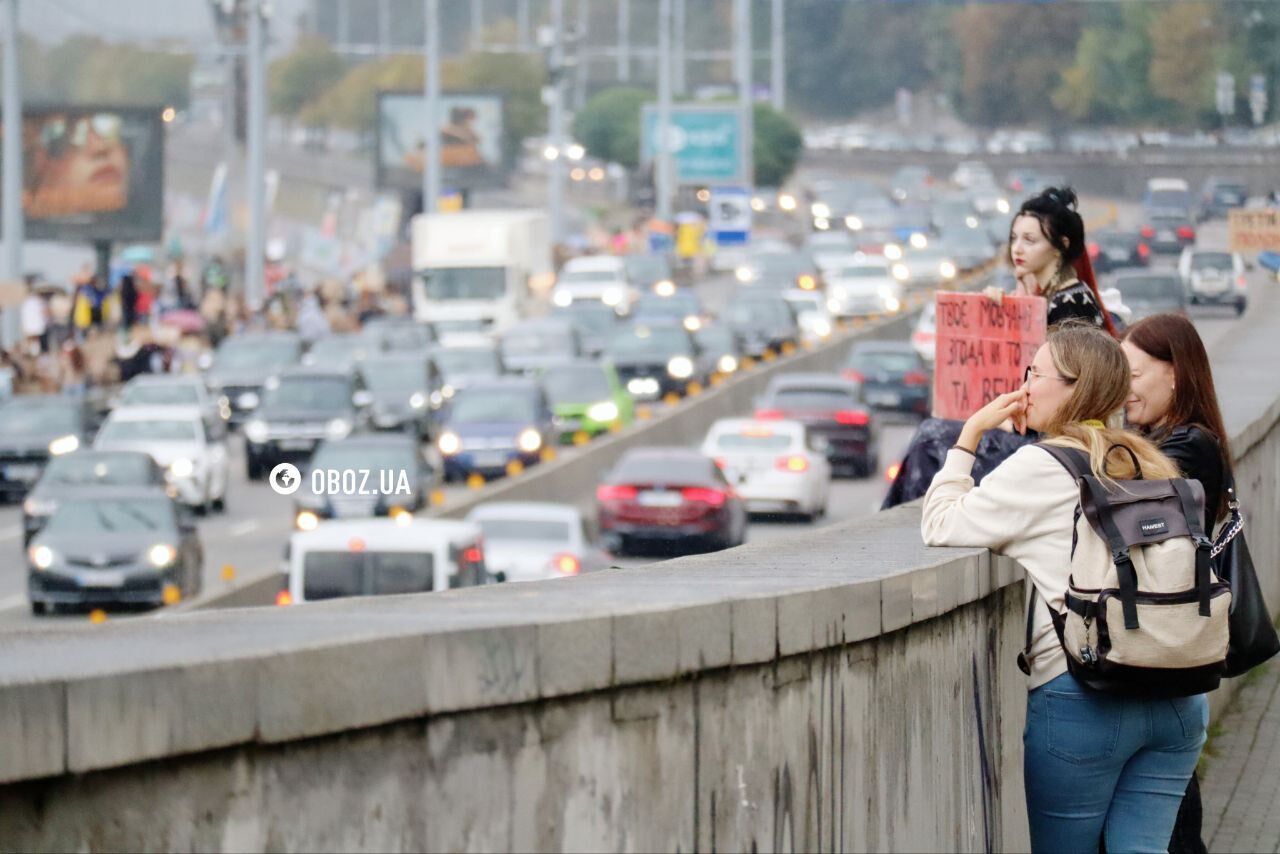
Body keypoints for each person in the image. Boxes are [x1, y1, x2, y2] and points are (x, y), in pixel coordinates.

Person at [920, 324, 1206, 852]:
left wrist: (970, 435)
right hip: (1178, 695)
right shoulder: (1150, 460)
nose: (1024, 386)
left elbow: (939, 524)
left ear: (1075, 388)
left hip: (1085, 698)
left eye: (1035, 373)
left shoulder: (1041, 466)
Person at [1121, 312, 1234, 854]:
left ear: (1175, 373)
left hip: (1170, 656)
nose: (1124, 387)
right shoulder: (1159, 438)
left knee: (1174, 831)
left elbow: (1118, 496)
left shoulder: (1190, 447)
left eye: (1134, 373)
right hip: (1158, 654)